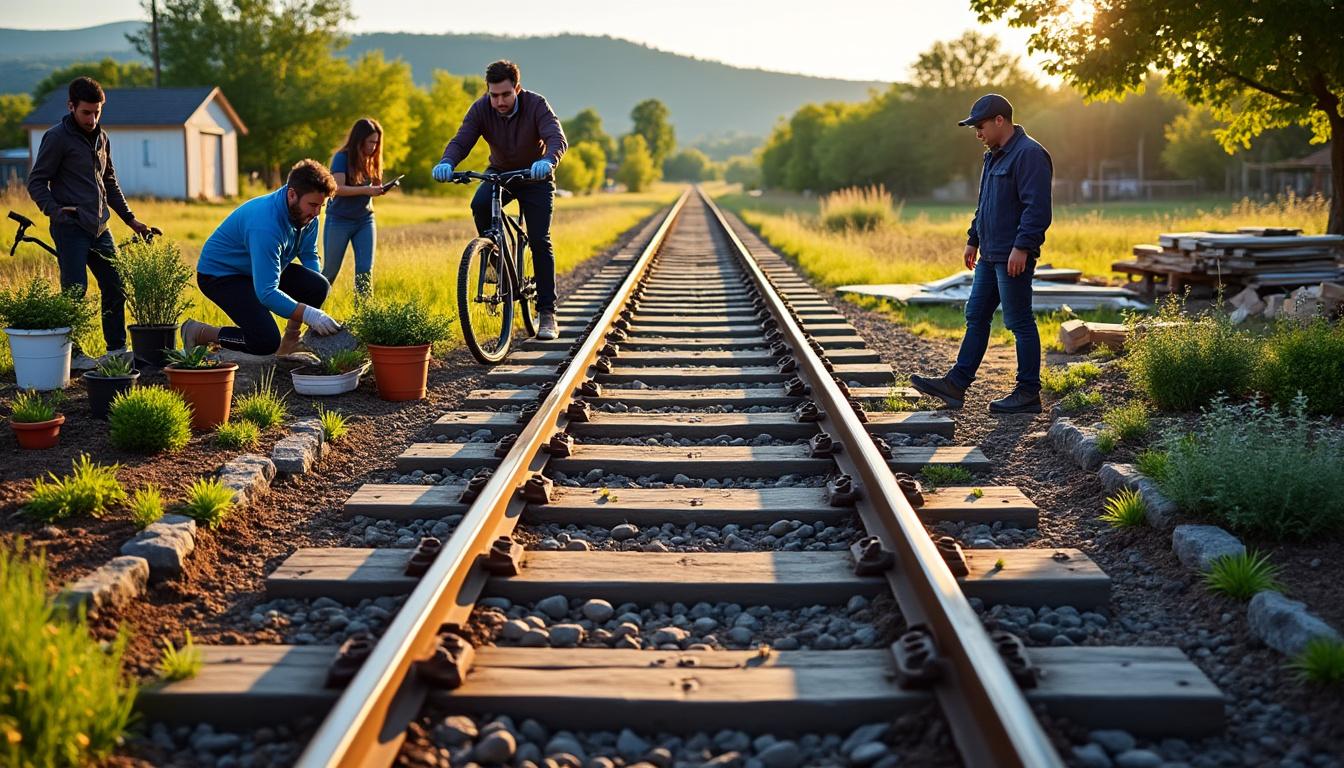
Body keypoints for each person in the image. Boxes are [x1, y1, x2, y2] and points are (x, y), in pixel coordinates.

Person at [909, 93, 1053, 415]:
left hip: (1012, 256)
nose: (977, 134)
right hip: (989, 254)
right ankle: (956, 385)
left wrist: (1022, 247)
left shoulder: (1029, 154)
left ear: (1000, 120)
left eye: (981, 126)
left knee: (1019, 321)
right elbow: (985, 203)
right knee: (976, 315)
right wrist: (973, 238)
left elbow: (1037, 209)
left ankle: (1028, 393)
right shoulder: (993, 156)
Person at [431, 59, 567, 340]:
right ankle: (495, 260)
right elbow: (462, 140)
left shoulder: (536, 105)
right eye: (494, 95)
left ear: (517, 88)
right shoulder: (481, 108)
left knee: (539, 239)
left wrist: (548, 161)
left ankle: (547, 313)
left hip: (535, 176)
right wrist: (447, 162)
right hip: (500, 173)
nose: (499, 101)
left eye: (505, 94)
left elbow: (556, 138)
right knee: (479, 205)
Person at [27, 76, 155, 368]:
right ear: (71, 106)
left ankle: (116, 350)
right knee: (75, 291)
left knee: (115, 286)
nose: (92, 119)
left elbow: (110, 182)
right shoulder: (57, 138)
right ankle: (73, 356)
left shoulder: (102, 138)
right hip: (70, 228)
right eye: (86, 112)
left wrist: (131, 220)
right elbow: (36, 181)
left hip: (100, 227)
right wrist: (55, 211)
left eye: (97, 112)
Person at [181, 160, 341, 359]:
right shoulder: (266, 225)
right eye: (313, 205)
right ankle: (199, 332)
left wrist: (312, 294)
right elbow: (266, 292)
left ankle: (290, 342)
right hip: (221, 275)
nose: (317, 213)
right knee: (265, 341)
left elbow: (308, 253)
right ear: (292, 194)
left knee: (318, 286)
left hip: (255, 267)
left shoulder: (306, 215)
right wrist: (310, 314)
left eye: (321, 206)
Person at [323, 117, 387, 296]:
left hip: (365, 220)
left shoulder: (372, 159)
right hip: (339, 220)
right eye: (371, 142)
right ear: (359, 140)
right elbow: (337, 188)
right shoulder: (341, 158)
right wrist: (366, 190)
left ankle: (365, 313)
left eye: (376, 142)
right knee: (330, 271)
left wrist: (379, 189)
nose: (374, 146)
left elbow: (374, 187)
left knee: (365, 272)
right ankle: (309, 309)